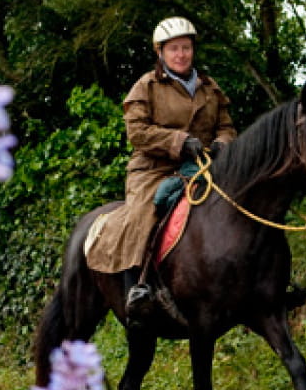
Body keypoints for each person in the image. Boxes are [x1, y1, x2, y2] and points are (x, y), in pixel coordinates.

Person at [85, 17, 236, 318]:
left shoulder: (209, 88)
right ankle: (136, 288)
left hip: (203, 166)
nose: (181, 54)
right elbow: (137, 132)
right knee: (144, 213)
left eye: (186, 48)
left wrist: (223, 143)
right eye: (174, 49)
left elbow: (226, 126)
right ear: (161, 53)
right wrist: (178, 142)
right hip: (154, 169)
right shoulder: (146, 86)